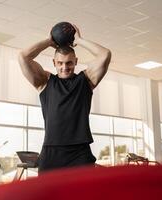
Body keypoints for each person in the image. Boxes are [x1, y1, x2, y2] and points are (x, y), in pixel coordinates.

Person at [18, 24, 111, 173]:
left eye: (69, 63)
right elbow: (23, 56)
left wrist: (79, 40)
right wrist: (48, 41)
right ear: (54, 63)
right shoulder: (45, 82)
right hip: (51, 153)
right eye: (60, 63)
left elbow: (105, 54)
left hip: (80, 153)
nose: (64, 67)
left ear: (76, 62)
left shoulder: (86, 81)